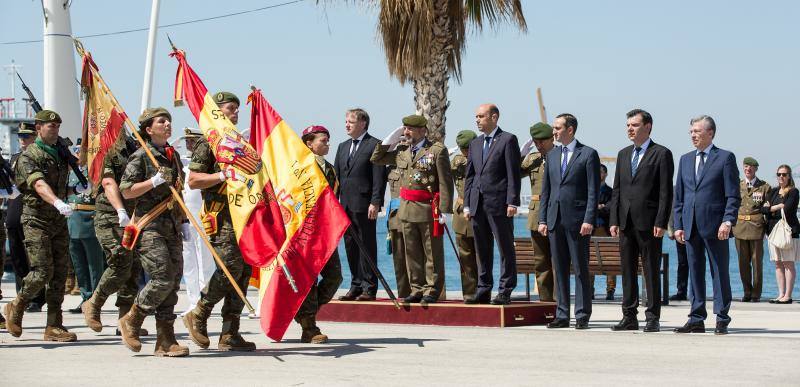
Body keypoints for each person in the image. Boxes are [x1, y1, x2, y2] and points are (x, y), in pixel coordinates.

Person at [183, 92, 255, 352]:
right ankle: (199, 313)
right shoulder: (209, 142)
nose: (235, 113)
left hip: (243, 215)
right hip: (221, 214)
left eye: (237, 109)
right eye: (230, 109)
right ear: (217, 113)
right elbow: (193, 180)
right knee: (230, 268)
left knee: (244, 271)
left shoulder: (240, 142)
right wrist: (222, 175)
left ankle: (230, 333)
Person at [4, 109, 85, 342]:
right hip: (36, 219)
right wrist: (58, 201)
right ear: (38, 128)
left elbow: (59, 187)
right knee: (42, 271)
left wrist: (74, 191)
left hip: (58, 220)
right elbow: (39, 185)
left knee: (59, 274)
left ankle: (54, 326)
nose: (55, 130)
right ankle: (16, 306)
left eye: (58, 126)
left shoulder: (60, 153)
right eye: (51, 126)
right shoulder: (29, 156)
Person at [118, 107, 190, 357]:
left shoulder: (173, 156)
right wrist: (153, 182)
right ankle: (133, 318)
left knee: (173, 284)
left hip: (171, 226)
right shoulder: (141, 156)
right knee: (162, 278)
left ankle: (165, 340)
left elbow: (178, 192)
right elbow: (126, 190)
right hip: (150, 227)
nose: (167, 124)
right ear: (149, 129)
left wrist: (183, 223)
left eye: (169, 120)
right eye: (162, 121)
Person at [372, 115, 453, 304]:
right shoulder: (401, 151)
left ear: (422, 130)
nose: (406, 132)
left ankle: (432, 289)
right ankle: (416, 288)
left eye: (410, 129)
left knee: (431, 252)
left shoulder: (436, 150)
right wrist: (389, 139)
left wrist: (445, 210)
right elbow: (377, 158)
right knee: (412, 252)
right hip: (406, 210)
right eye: (404, 129)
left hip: (427, 209)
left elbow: (445, 181)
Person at [673, 115, 740, 335]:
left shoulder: (725, 158)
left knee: (719, 273)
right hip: (690, 226)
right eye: (691, 131)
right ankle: (696, 317)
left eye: (697, 131)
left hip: (716, 227)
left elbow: (733, 195)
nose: (693, 135)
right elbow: (680, 197)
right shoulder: (684, 159)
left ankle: (722, 317)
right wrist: (679, 224)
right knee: (695, 272)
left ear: (710, 133)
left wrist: (727, 220)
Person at [609, 109, 674, 333]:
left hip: (649, 223)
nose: (630, 129)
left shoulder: (661, 153)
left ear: (648, 127)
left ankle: (652, 317)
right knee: (627, 270)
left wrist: (661, 221)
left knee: (650, 270)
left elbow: (666, 192)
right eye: (628, 125)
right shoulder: (623, 154)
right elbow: (617, 190)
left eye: (634, 125)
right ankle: (629, 315)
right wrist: (614, 218)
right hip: (625, 221)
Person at [81, 135, 148, 337]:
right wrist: (120, 211)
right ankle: (94, 303)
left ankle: (124, 320)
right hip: (110, 215)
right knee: (121, 261)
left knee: (133, 266)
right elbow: (108, 183)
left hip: (135, 217)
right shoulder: (106, 151)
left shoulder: (139, 149)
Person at [538, 113, 600, 329]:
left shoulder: (588, 154)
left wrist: (589, 218)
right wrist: (543, 218)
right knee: (560, 268)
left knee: (581, 268)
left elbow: (594, 191)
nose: (553, 132)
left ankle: (582, 314)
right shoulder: (552, 155)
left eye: (557, 128)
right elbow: (546, 190)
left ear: (570, 129)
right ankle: (562, 313)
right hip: (555, 220)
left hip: (578, 221)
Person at [463, 104, 522, 305]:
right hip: (477, 203)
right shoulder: (475, 143)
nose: (477, 120)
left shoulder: (508, 139)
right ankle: (483, 288)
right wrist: (467, 204)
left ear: (494, 117)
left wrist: (512, 201)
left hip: (499, 203)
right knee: (482, 248)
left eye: (481, 116)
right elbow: (469, 175)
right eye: (476, 116)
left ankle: (505, 289)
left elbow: (513, 173)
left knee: (505, 248)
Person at [293, 125, 343, 343]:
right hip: (305, 232)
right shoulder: (299, 168)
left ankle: (302, 311)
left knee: (335, 276)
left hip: (325, 232)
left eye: (328, 140)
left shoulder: (330, 169)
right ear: (309, 143)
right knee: (309, 280)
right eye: (323, 140)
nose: (327, 144)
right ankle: (309, 326)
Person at [335, 108, 385, 301]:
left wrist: (375, 202)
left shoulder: (375, 145)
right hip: (345, 206)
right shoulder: (342, 146)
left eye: (351, 121)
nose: (346, 124)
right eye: (346, 121)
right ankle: (355, 285)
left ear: (363, 123)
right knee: (350, 246)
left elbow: (378, 178)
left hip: (365, 205)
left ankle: (369, 287)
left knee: (367, 245)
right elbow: (338, 178)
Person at [6, 124, 46, 313]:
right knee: (16, 255)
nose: (22, 139)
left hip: (32, 208)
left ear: (35, 136)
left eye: (26, 136)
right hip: (14, 209)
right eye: (20, 136)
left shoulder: (39, 157)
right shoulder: (13, 159)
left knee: (34, 255)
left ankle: (36, 297)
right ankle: (21, 293)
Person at [178, 128, 214, 315]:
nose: (189, 144)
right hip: (185, 220)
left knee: (205, 261)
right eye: (188, 141)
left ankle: (204, 302)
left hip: (202, 218)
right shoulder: (182, 164)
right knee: (189, 262)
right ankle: (193, 301)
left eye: (193, 141)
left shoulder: (208, 166)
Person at [66, 148, 105, 314]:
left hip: (90, 218)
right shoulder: (72, 172)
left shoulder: (96, 171)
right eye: (77, 152)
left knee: (94, 263)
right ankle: (85, 296)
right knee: (79, 263)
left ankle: (95, 299)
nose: (78, 155)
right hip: (73, 219)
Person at [520, 122, 555, 302]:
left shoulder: (559, 156)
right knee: (541, 261)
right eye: (536, 142)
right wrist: (522, 154)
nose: (539, 145)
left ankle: (559, 301)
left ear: (552, 139)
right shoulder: (533, 158)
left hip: (556, 211)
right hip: (536, 213)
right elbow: (514, 173)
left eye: (542, 141)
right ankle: (545, 300)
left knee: (557, 260)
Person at [733, 157, 770, 302]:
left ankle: (756, 293)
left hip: (756, 227)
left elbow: (767, 208)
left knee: (756, 263)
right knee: (743, 263)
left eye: (751, 167)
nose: (748, 169)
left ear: (756, 169)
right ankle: (747, 292)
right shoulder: (738, 186)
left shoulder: (764, 187)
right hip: (740, 227)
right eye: (746, 166)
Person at [762, 165, 798, 304]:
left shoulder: (794, 192)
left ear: (789, 176)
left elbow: (788, 209)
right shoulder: (774, 191)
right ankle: (780, 294)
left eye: (784, 174)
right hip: (772, 231)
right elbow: (763, 210)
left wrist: (770, 208)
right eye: (779, 174)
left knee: (788, 264)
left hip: (787, 231)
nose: (781, 177)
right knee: (778, 264)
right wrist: (777, 207)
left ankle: (788, 296)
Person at [451, 130, 479, 302]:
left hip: (479, 211)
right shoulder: (457, 162)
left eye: (467, 148)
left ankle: (483, 290)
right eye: (463, 149)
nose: (465, 152)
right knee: (465, 256)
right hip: (461, 213)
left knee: (482, 256)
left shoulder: (485, 159)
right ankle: (469, 293)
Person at [591, 163, 617, 300]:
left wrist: (599, 207)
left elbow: (610, 208)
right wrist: (600, 207)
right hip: (591, 229)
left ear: (606, 174)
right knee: (590, 261)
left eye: (601, 172)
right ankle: (589, 289)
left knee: (611, 261)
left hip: (606, 230)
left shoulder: (610, 191)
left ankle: (610, 290)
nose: (598, 174)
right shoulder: (589, 190)